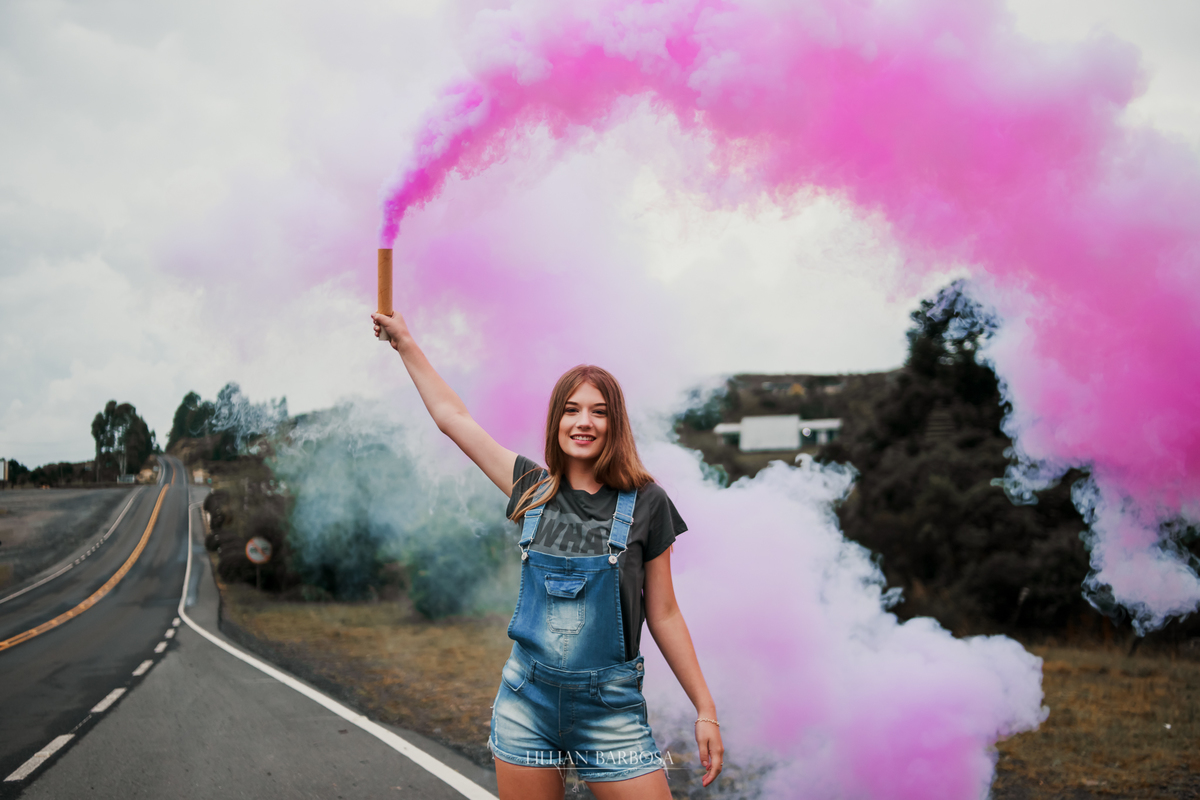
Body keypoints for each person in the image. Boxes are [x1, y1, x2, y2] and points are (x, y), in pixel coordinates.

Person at [372, 310, 724, 800]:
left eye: (599, 411)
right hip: (526, 703)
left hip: (611, 712)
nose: (584, 422)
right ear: (556, 419)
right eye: (572, 409)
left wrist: (704, 708)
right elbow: (453, 419)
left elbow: (662, 613)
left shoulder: (648, 503)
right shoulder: (531, 488)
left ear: (614, 423)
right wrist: (405, 341)